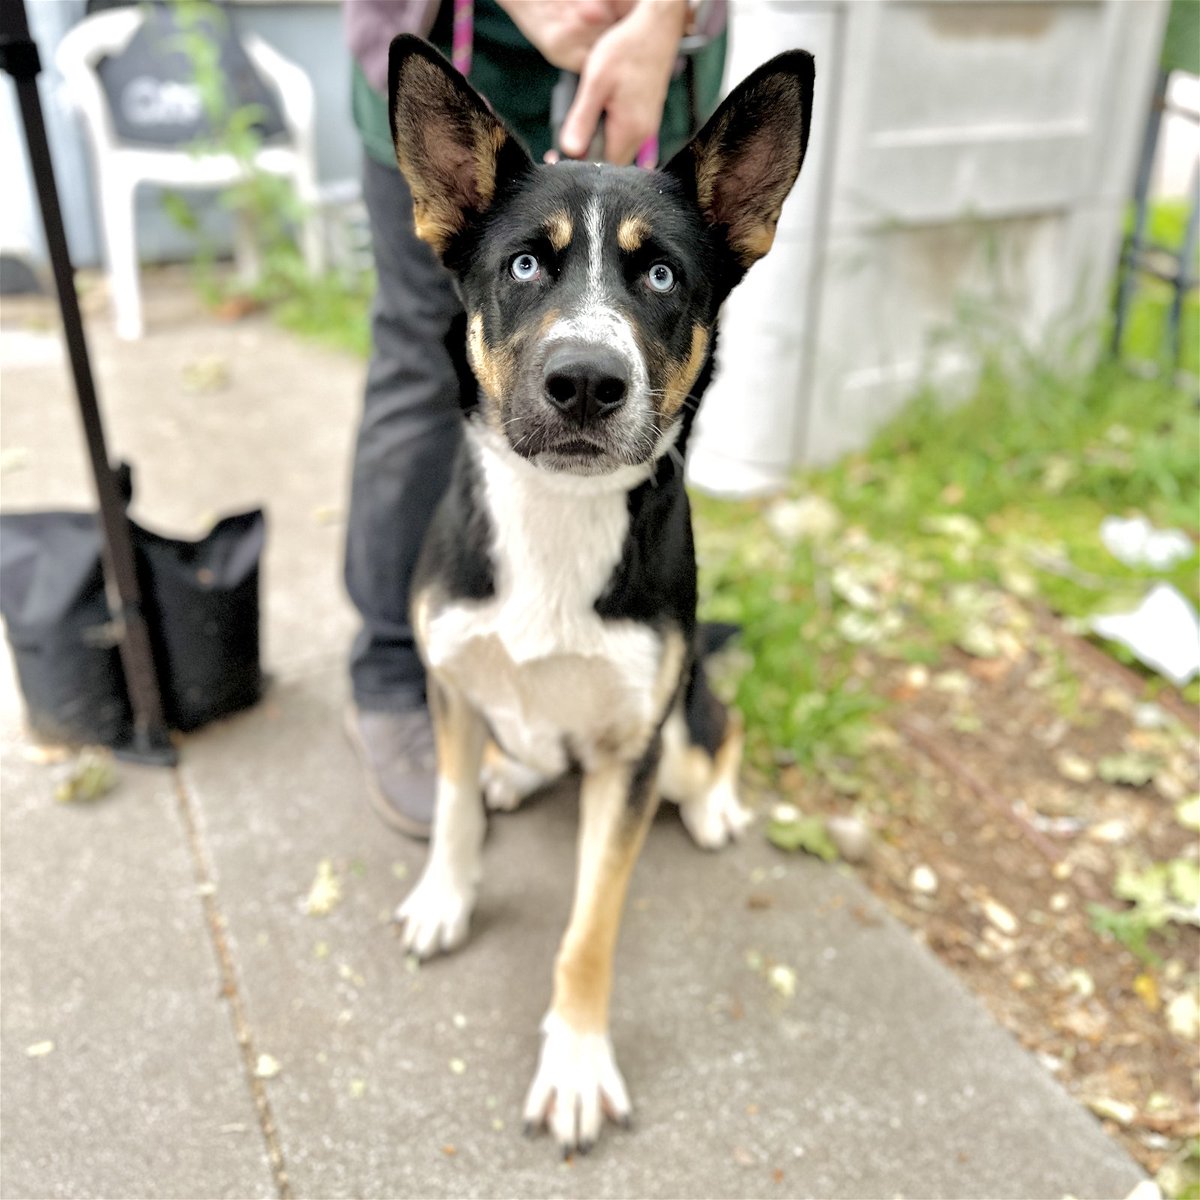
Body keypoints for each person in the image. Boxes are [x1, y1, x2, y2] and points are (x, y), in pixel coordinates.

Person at [342, 0, 726, 838]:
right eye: (527, 262)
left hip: (658, 48)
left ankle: (632, 685)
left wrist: (667, 13)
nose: (585, 366)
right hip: (456, 36)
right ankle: (389, 671)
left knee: (680, 769)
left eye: (656, 277)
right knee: (415, 353)